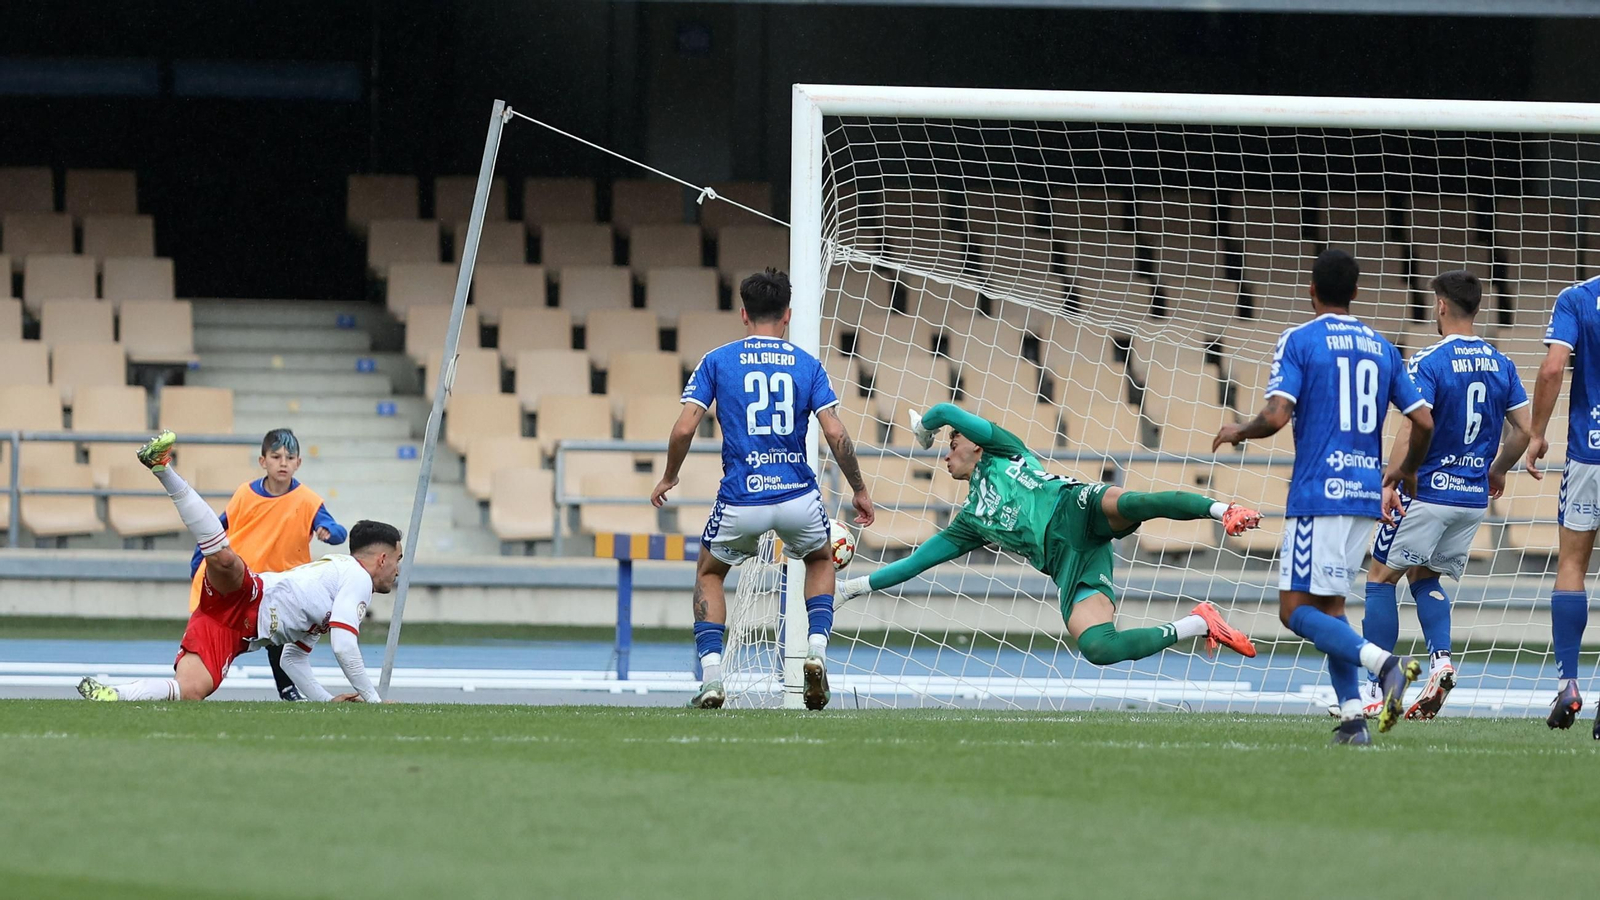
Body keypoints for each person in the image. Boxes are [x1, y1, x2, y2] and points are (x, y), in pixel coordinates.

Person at [838, 403, 1262, 667]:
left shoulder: (1004, 449)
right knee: (1099, 648)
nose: (948, 452)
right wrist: (851, 587)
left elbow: (947, 410)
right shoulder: (970, 522)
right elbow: (915, 563)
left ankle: (1224, 509)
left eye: (954, 443)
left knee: (1132, 504)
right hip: (1067, 563)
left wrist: (925, 431)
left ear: (978, 446)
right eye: (944, 446)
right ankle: (1198, 623)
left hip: (1075, 509)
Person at [1215, 248, 1434, 745]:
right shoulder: (1381, 345)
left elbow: (1274, 417)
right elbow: (1423, 420)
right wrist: (1404, 472)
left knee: (1293, 612)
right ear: (1356, 292)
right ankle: (1354, 719)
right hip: (1363, 496)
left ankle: (1387, 665)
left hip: (1318, 493)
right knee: (1331, 609)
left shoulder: (1300, 339)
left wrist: (1238, 430)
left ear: (1311, 290)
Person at [651, 269, 875, 711]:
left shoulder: (718, 360)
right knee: (817, 557)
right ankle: (815, 650)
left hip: (742, 497)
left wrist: (670, 475)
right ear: (787, 315)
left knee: (710, 573)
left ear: (743, 314)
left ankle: (712, 678)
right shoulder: (808, 365)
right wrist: (860, 489)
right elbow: (836, 434)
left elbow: (683, 429)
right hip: (797, 496)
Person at [77, 431, 401, 703]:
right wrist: (374, 701)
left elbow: (293, 658)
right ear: (382, 559)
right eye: (398, 560)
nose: (398, 570)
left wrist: (326, 702)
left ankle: (114, 694)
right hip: (250, 595)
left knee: (190, 691)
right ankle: (162, 467)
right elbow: (344, 646)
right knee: (224, 557)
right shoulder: (357, 578)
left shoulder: (332, 580)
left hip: (232, 630)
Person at [1358, 270, 1531, 721]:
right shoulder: (1501, 362)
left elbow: (1415, 423)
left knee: (1379, 578)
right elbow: (1525, 430)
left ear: (1439, 306)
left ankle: (1380, 686)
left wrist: (1392, 480)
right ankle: (1441, 661)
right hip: (1471, 498)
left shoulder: (1429, 360)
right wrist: (1497, 469)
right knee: (1423, 577)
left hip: (1428, 490)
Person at [188, 428, 347, 701]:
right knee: (222, 636)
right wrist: (198, 564)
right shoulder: (245, 494)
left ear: (299, 463)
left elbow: (337, 529)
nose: (283, 462)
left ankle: (287, 690)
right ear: (263, 461)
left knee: (281, 637)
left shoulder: (307, 501)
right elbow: (217, 527)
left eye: (290, 457)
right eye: (276, 456)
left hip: (282, 585)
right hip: (243, 583)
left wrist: (328, 532)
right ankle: (192, 681)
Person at [1526, 271, 1600, 733]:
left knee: (1572, 565)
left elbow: (1554, 367)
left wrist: (1536, 433)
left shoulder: (1577, 298)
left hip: (1588, 453)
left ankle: (1569, 684)